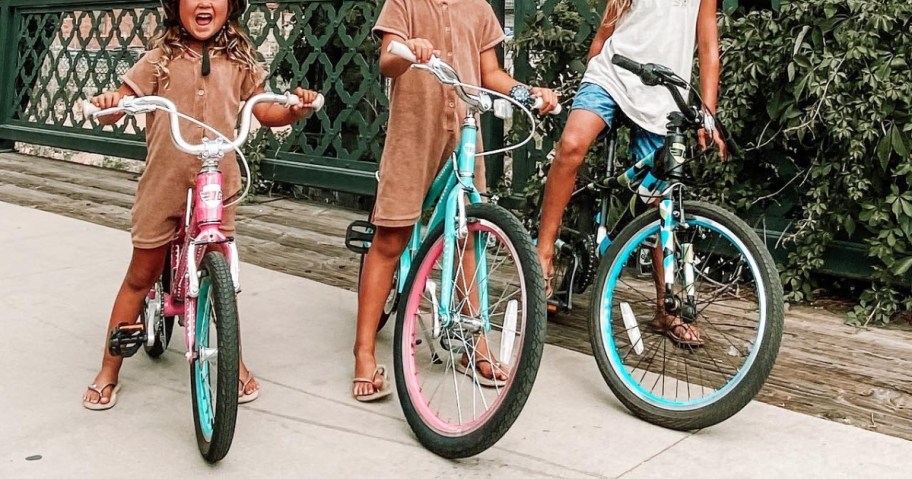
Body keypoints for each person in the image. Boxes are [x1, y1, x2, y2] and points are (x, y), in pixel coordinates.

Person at [82, 0, 320, 410]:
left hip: (219, 182)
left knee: (220, 275)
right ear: (176, 6)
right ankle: (108, 369)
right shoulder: (158, 60)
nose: (205, 2)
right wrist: (109, 106)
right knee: (142, 275)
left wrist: (293, 110)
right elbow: (122, 103)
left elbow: (263, 109)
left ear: (232, 6)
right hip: (165, 181)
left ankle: (235, 362)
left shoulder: (242, 61)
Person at [353, 0, 559, 401]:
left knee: (468, 234)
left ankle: (473, 343)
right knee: (391, 237)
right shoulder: (404, 3)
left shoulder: (479, 9)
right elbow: (387, 61)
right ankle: (363, 350)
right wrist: (409, 51)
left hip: (464, 134)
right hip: (413, 135)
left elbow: (491, 73)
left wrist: (525, 92)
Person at [536, 0, 727, 347]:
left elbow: (709, 45)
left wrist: (708, 113)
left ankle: (665, 307)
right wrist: (584, 87)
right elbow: (604, 33)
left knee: (659, 200)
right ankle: (543, 254)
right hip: (613, 72)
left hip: (664, 91)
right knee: (572, 145)